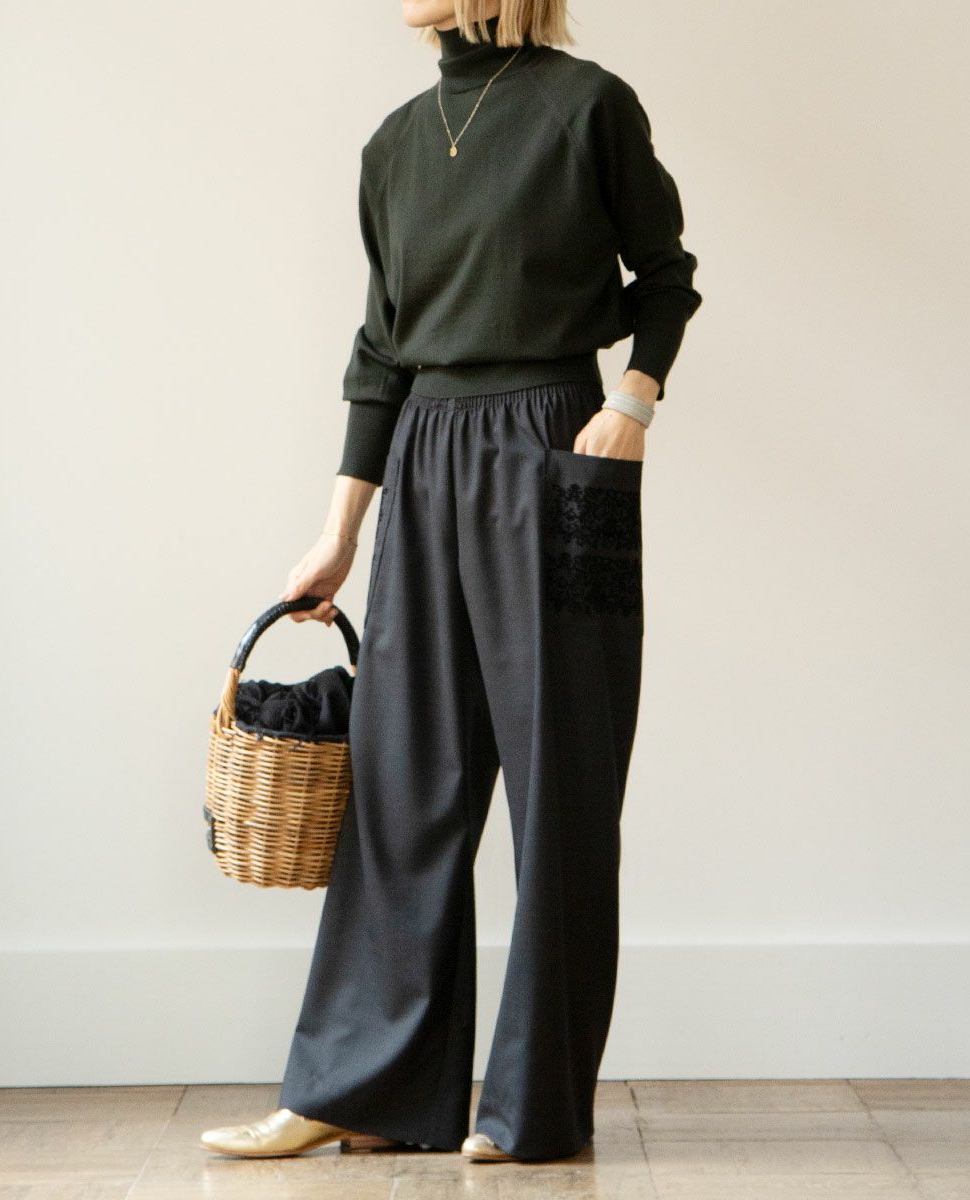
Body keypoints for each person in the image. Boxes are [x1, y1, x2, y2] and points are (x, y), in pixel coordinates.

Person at [200, 0, 702, 1164]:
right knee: (401, 775)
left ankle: (532, 1107)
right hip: (425, 454)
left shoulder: (587, 107)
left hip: (554, 445)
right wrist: (337, 532)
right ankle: (362, 1090)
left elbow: (666, 274)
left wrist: (632, 402)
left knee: (560, 777)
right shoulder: (393, 142)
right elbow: (381, 347)